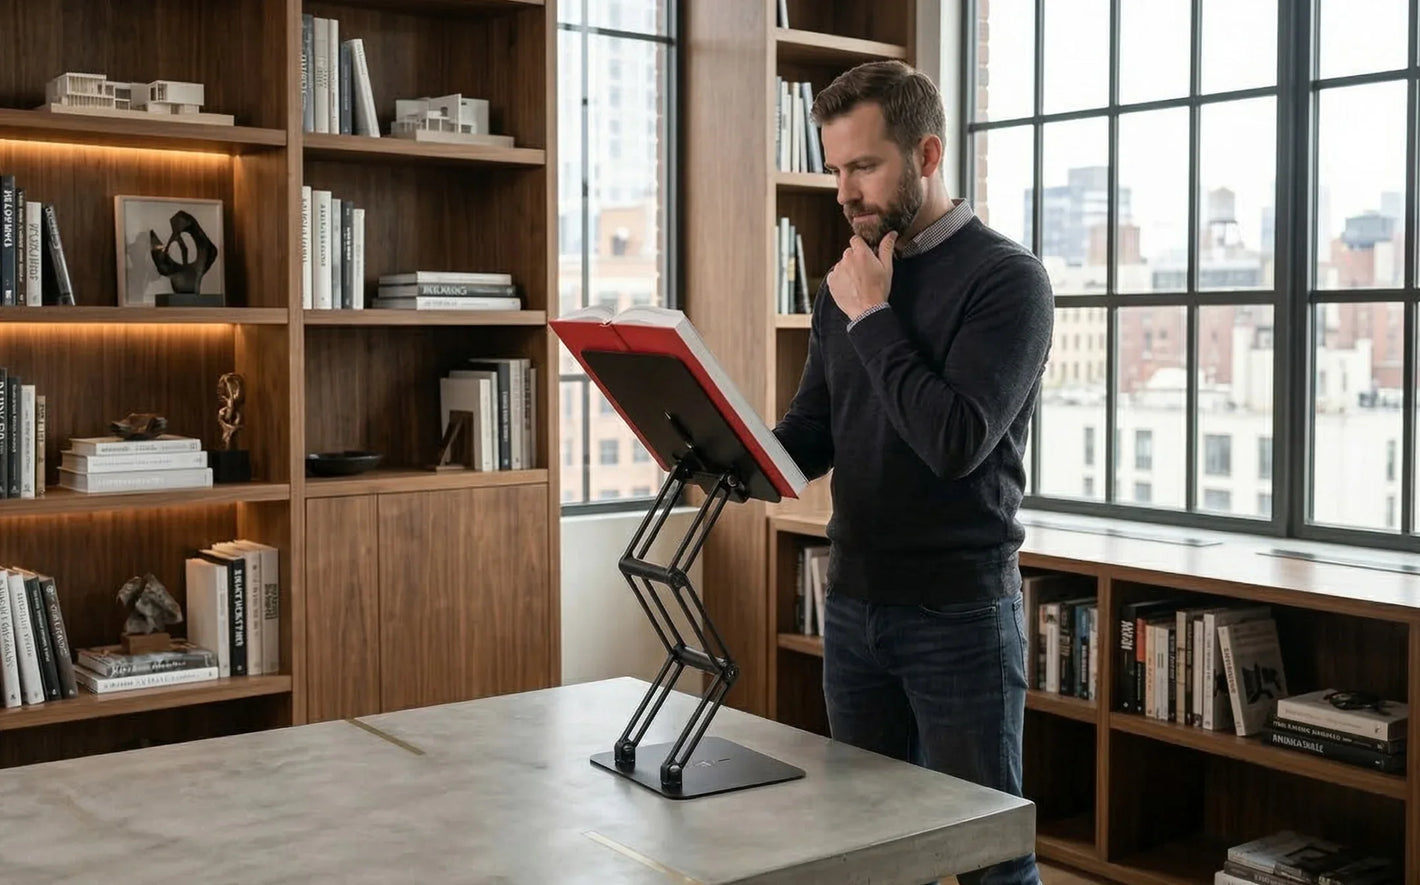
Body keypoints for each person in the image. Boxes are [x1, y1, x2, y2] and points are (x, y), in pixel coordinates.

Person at [771, 59, 1052, 885]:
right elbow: (813, 431)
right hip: (854, 605)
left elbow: (956, 440)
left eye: (864, 166)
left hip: (958, 614)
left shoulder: (1007, 281)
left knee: (990, 862)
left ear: (927, 155)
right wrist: (719, 444)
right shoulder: (851, 279)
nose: (845, 192)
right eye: (834, 169)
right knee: (867, 856)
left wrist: (875, 316)